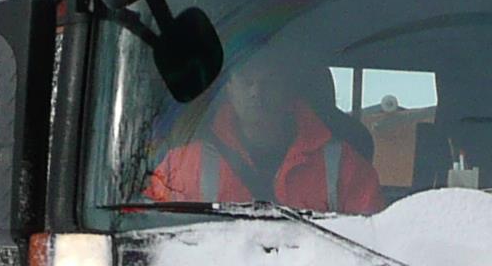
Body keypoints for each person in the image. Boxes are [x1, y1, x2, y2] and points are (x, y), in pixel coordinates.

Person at [144, 46, 384, 214]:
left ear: (289, 89)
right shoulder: (181, 167)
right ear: (228, 87)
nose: (256, 92)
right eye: (247, 80)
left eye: (269, 82)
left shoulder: (345, 168)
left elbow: (372, 253)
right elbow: (146, 233)